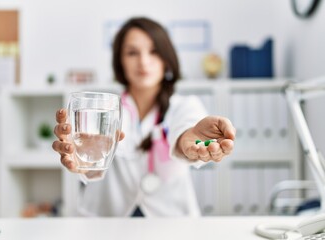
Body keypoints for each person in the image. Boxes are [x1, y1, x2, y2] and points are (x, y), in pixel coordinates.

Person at [52, 17, 236, 217]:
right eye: (132, 53)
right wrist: (82, 156)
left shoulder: (184, 106)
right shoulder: (103, 110)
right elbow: (93, 169)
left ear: (166, 58)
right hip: (106, 222)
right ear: (120, 62)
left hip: (169, 224)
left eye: (154, 51)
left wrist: (189, 142)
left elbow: (187, 129)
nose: (143, 61)